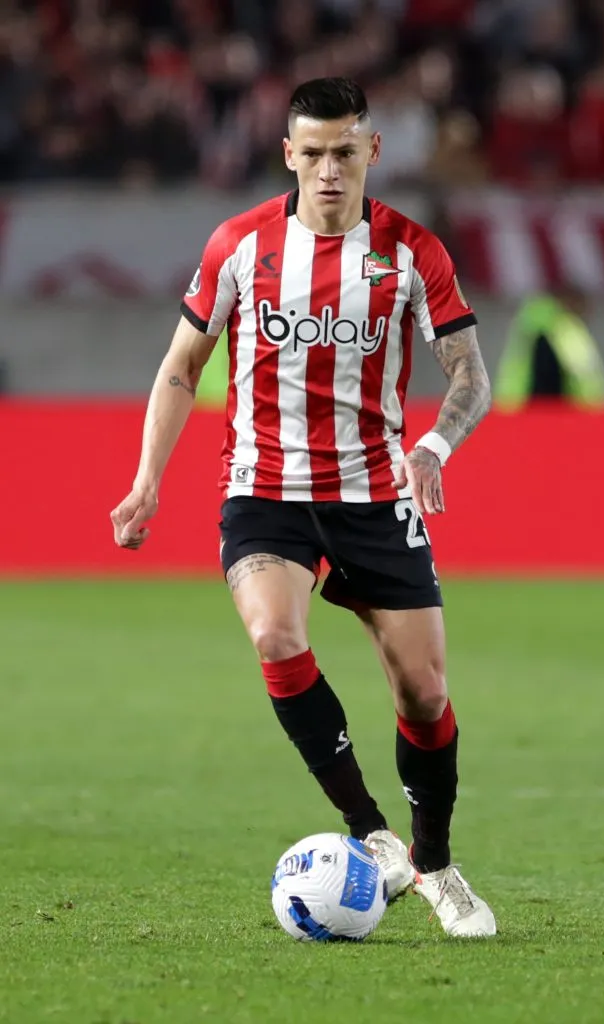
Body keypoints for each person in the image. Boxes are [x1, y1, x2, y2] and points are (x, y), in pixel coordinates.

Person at [110, 77, 495, 938]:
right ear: (288, 154)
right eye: (312, 153)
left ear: (372, 153)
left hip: (372, 494)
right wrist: (147, 481)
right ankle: (371, 833)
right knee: (274, 635)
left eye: (343, 152)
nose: (327, 171)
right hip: (265, 490)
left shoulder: (411, 251)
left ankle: (433, 864)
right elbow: (180, 366)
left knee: (424, 694)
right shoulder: (240, 245)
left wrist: (433, 444)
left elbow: (469, 373)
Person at [494, 285, 604, 409]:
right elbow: (582, 373)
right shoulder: (566, 329)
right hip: (559, 412)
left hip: (520, 408)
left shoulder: (527, 326)